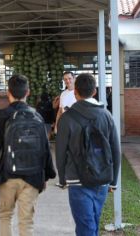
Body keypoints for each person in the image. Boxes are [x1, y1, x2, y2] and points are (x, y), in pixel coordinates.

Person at [0, 74, 56, 236]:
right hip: (32, 177)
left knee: (5, 216)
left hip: (7, 175)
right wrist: (46, 175)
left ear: (8, 92)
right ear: (28, 92)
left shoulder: (1, 116)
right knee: (26, 221)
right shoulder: (37, 116)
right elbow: (45, 148)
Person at [55, 73, 121, 236]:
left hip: (77, 179)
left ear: (75, 92)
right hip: (102, 178)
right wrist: (113, 181)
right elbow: (115, 149)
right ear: (94, 92)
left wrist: (63, 179)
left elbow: (60, 152)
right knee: (93, 222)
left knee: (85, 226)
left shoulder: (66, 118)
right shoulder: (106, 115)